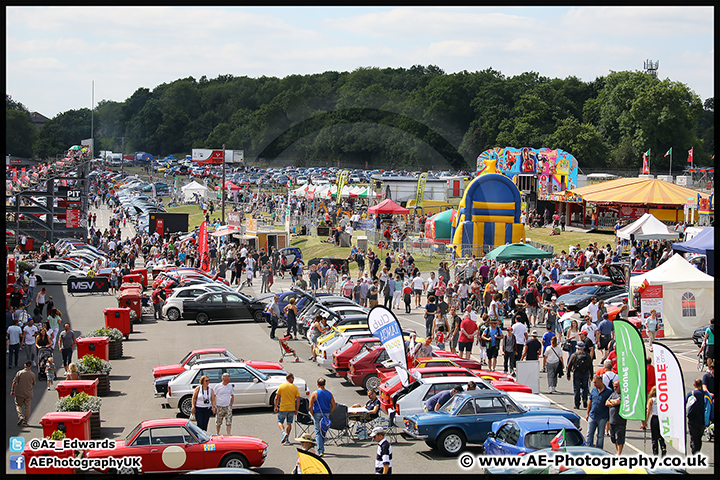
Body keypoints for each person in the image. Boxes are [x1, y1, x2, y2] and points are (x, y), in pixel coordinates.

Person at [309, 378, 336, 457]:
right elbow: (334, 406)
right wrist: (329, 412)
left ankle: (320, 450)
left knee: (317, 431)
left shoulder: (314, 393)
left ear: (317, 384)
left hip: (317, 413)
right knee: (324, 431)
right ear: (325, 384)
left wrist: (312, 413)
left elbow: (310, 406)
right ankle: (321, 447)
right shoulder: (329, 393)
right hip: (326, 413)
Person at [586, 375, 612, 449]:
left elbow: (610, 404)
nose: (594, 384)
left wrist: (609, 418)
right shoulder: (594, 390)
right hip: (593, 415)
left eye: (595, 383)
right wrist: (587, 413)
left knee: (600, 435)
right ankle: (588, 448)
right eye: (594, 383)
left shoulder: (608, 391)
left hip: (602, 417)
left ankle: (599, 450)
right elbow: (590, 401)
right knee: (589, 434)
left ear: (601, 381)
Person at [275, 373, 301, 444]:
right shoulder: (295, 387)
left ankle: (283, 433)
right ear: (290, 378)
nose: (293, 380)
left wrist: (276, 406)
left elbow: (277, 397)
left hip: (283, 407)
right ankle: (287, 438)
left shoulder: (281, 386)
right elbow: (298, 399)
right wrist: (297, 409)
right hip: (291, 408)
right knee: (289, 423)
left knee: (280, 421)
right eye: (293, 378)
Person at [566, 341, 592, 409]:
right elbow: (591, 366)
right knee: (585, 388)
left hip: (577, 373)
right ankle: (584, 399)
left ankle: (577, 404)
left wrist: (568, 374)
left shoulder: (574, 355)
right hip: (585, 373)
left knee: (576, 389)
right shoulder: (587, 355)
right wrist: (591, 375)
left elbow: (569, 365)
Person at [11, 361, 36, 425]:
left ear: (25, 366)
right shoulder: (32, 374)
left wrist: (12, 390)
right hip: (28, 393)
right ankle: (25, 420)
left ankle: (20, 416)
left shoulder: (19, 373)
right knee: (27, 407)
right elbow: (33, 384)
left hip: (19, 392)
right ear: (30, 366)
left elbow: (14, 382)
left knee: (18, 405)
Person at [605, 380, 626, 455]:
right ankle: (617, 451)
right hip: (612, 420)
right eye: (614, 386)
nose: (615, 388)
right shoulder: (613, 394)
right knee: (613, 438)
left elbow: (618, 402)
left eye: (616, 386)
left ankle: (619, 454)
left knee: (619, 438)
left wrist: (612, 402)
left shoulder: (623, 395)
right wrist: (613, 402)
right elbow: (606, 403)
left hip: (620, 420)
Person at [686, 378, 706, 454]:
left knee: (693, 436)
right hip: (702, 419)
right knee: (699, 437)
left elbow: (685, 404)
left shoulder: (691, 394)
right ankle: (697, 451)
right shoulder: (705, 394)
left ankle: (694, 452)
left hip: (692, 419)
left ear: (694, 385)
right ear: (701, 385)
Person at [645, 385, 667, 457]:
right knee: (661, 435)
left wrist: (645, 422)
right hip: (661, 418)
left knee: (654, 437)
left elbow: (648, 411)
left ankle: (655, 453)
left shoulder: (651, 400)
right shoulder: (662, 399)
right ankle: (663, 446)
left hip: (654, 418)